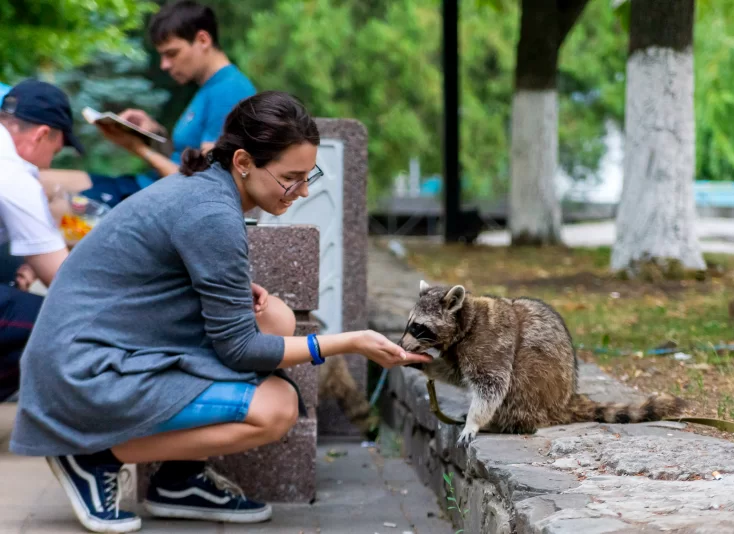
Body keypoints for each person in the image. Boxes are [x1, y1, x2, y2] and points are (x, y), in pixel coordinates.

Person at [9, 90, 432, 533]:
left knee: (278, 319)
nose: (303, 191)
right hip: (81, 374)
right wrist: (351, 341)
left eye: (310, 176)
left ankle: (177, 479)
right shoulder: (211, 212)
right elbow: (241, 352)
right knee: (278, 407)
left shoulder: (209, 191)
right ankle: (93, 458)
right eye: (292, 177)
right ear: (244, 162)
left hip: (111, 352)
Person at [39, 0, 257, 207]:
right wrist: (152, 132)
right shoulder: (210, 87)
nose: (164, 65)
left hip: (154, 203)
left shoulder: (229, 91)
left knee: (42, 192)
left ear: (203, 40)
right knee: (35, 182)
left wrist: (138, 148)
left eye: (172, 53)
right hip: (145, 188)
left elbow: (205, 185)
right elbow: (187, 159)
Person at [0, 79, 84, 401]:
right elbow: (67, 284)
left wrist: (26, 262)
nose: (48, 163)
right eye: (55, 150)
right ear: (40, 135)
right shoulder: (13, 175)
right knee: (64, 327)